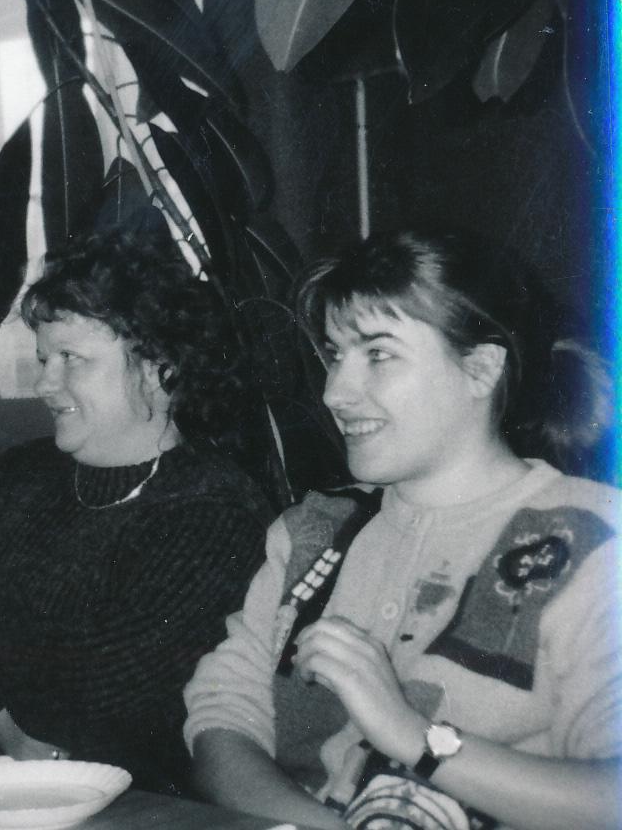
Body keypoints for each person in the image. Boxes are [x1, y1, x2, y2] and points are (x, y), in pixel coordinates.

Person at [184, 227, 621, 830]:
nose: (335, 392)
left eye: (378, 354)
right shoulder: (313, 533)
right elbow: (222, 720)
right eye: (335, 355)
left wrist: (416, 737)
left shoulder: (594, 542)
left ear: (480, 369)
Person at [0, 228, 274, 795]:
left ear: (160, 368)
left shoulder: (215, 511)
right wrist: (7, 730)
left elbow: (101, 695)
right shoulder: (19, 473)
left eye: (72, 359)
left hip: (136, 805)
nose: (44, 383)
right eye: (44, 358)